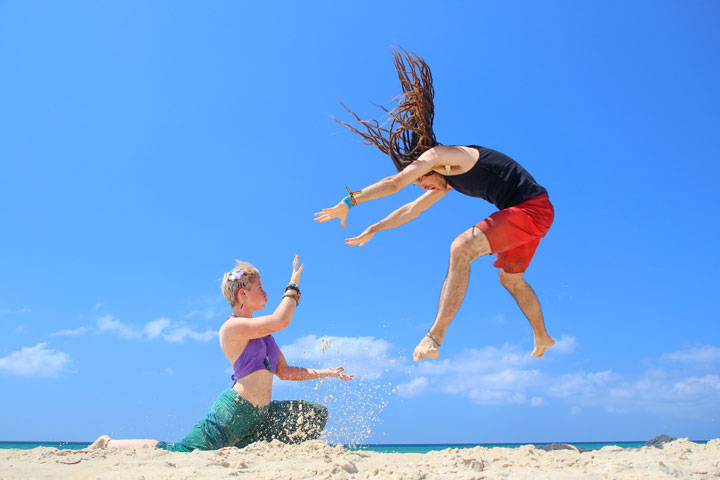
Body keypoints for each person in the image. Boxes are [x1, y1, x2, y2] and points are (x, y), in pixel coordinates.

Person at [315, 48, 555, 362]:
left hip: (531, 210)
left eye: (420, 181)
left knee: (461, 248)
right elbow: (410, 209)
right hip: (526, 215)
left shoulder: (441, 156)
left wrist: (349, 201)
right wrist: (374, 227)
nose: (422, 187)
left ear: (423, 165)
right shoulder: (447, 179)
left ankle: (434, 337)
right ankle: (542, 335)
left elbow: (394, 185)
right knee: (509, 278)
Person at [89, 256, 354, 451]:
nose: (265, 292)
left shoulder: (265, 337)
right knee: (180, 451)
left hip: (261, 416)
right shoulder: (231, 328)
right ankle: (108, 443)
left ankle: (249, 448)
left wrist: (326, 372)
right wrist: (293, 286)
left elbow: (283, 371)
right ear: (243, 294)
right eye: (260, 288)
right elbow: (280, 320)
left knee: (315, 415)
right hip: (233, 414)